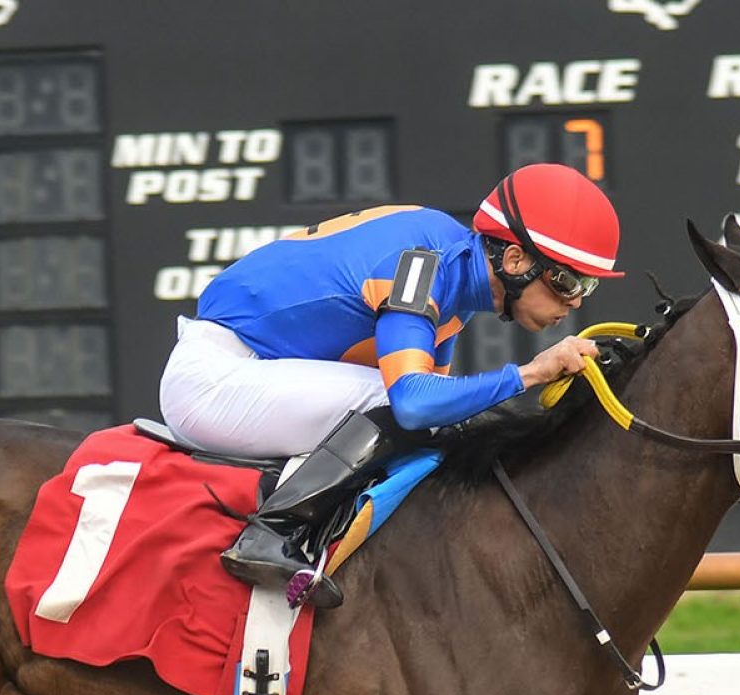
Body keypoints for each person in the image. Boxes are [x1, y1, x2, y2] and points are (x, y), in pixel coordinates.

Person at [159, 162, 624, 608]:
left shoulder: (450, 279)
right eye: (566, 281)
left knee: (437, 430)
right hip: (215, 378)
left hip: (250, 370)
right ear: (516, 258)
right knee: (391, 400)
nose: (575, 301)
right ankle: (272, 531)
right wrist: (530, 374)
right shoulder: (423, 265)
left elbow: (439, 418)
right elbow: (412, 405)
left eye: (588, 287)